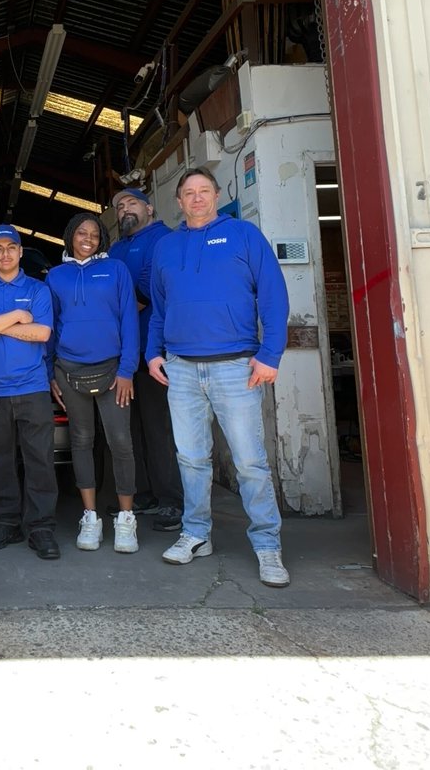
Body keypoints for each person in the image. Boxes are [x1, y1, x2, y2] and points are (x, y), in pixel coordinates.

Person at [146, 167, 291, 587]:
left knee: (249, 462)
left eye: (203, 191)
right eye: (188, 193)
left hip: (236, 368)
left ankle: (267, 545)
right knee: (191, 460)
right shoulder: (167, 248)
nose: (196, 199)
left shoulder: (245, 236)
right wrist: (153, 354)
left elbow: (274, 296)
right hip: (181, 369)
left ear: (216, 194)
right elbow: (160, 307)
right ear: (178, 201)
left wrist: (270, 354)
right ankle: (195, 534)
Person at [47, 213, 140, 553]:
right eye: (81, 232)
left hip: (114, 370)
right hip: (69, 370)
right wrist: (49, 373)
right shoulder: (56, 276)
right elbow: (50, 329)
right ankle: (90, 517)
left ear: (102, 239)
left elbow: (129, 319)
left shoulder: (116, 269)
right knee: (81, 440)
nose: (88, 238)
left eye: (95, 234)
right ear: (70, 236)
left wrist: (127, 369)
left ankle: (126, 520)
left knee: (121, 442)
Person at [0, 225, 60, 560]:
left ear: (21, 252)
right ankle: (7, 521)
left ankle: (41, 527)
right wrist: (18, 317)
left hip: (33, 387)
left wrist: (0, 324)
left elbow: (42, 333)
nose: (5, 253)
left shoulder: (38, 289)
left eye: (11, 247)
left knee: (39, 459)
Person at [109, 186, 183, 533]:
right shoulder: (116, 248)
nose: (125, 209)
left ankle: (172, 501)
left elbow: (142, 296)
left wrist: (100, 314)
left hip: (153, 350)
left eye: (131, 203)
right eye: (119, 206)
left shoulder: (162, 239)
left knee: (159, 428)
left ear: (150, 208)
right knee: (132, 427)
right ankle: (145, 493)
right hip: (122, 353)